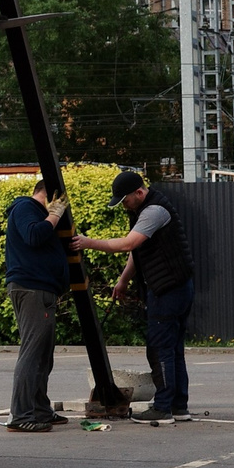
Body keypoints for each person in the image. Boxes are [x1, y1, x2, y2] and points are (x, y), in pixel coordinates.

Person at [73, 168, 192, 422]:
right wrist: (123, 280)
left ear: (139, 192)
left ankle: (162, 408)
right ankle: (178, 406)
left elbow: (128, 244)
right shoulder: (144, 209)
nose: (124, 206)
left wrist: (88, 242)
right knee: (173, 348)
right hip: (177, 287)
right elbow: (138, 253)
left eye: (125, 200)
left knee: (160, 349)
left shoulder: (154, 211)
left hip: (167, 289)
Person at [0, 177, 73, 431]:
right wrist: (53, 216)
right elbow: (33, 235)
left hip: (41, 290)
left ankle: (40, 410)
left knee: (43, 355)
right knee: (32, 353)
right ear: (46, 195)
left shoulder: (36, 214)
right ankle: (21, 416)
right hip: (32, 288)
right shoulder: (25, 208)